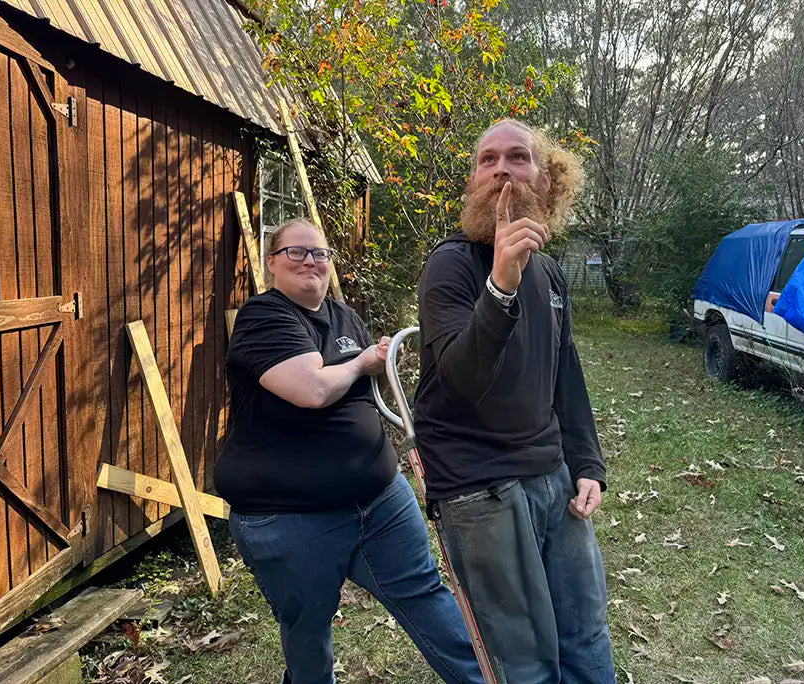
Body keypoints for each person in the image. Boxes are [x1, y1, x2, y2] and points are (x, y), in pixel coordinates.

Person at [214, 218, 483, 684]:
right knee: (309, 631)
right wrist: (361, 361)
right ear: (271, 263)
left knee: (426, 595)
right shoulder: (264, 317)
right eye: (296, 252)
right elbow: (312, 389)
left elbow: (365, 390)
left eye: (319, 253)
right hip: (290, 519)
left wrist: (378, 362)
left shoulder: (343, 316)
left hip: (381, 501)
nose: (310, 261)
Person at [414, 119, 617, 684]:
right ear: (475, 180)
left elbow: (564, 374)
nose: (501, 168)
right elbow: (459, 380)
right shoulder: (451, 266)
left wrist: (587, 463)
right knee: (524, 656)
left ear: (546, 181)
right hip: (478, 484)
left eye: (517, 157)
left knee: (585, 631)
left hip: (551, 473)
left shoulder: (551, 273)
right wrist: (499, 285)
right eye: (487, 160)